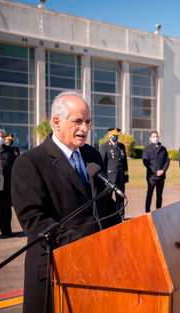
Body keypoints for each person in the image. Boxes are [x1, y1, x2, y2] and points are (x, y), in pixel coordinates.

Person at [11, 91, 121, 313]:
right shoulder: (30, 163)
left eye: (88, 122)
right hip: (56, 271)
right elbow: (36, 223)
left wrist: (123, 237)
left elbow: (105, 206)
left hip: (98, 267)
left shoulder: (92, 155)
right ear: (56, 122)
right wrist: (88, 245)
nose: (84, 129)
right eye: (78, 121)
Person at [99, 127, 129, 219]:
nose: (115, 137)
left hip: (120, 177)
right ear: (109, 135)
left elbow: (124, 162)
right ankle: (108, 217)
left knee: (120, 197)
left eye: (116, 135)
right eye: (113, 135)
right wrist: (104, 178)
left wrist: (126, 175)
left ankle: (121, 216)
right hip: (110, 178)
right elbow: (101, 163)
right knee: (108, 199)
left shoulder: (121, 146)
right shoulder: (104, 146)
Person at [142, 130, 170, 212]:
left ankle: (159, 210)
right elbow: (145, 162)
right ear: (150, 138)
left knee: (159, 195)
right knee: (149, 194)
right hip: (151, 177)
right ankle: (147, 211)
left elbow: (167, 161)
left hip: (161, 176)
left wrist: (163, 170)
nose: (155, 138)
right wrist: (155, 172)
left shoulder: (163, 149)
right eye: (153, 137)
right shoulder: (147, 148)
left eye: (157, 136)